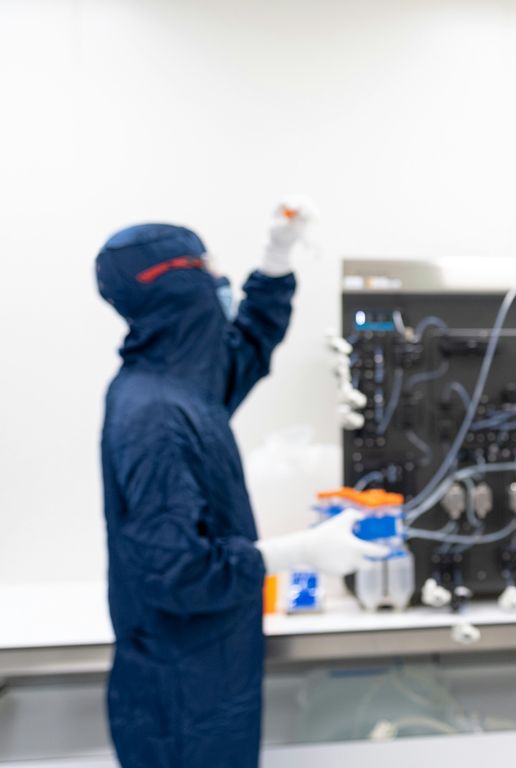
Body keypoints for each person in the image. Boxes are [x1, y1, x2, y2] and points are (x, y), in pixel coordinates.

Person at [96, 206, 386, 768]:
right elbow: (177, 572)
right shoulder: (154, 416)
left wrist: (276, 258)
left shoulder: (182, 387)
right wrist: (297, 552)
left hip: (210, 673)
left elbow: (249, 343)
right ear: (177, 284)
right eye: (207, 268)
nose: (219, 279)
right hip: (181, 701)